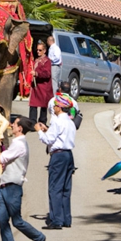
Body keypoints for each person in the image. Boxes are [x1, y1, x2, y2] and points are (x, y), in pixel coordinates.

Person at [0, 116, 46, 241]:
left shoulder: (19, 144)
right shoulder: (17, 143)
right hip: (4, 184)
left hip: (13, 187)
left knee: (17, 220)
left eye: (14, 124)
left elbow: (0, 159)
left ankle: (39, 237)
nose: (11, 125)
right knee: (3, 221)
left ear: (20, 128)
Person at [35, 94, 76, 230]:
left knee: (55, 188)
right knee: (65, 188)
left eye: (55, 105)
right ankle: (66, 218)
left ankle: (56, 219)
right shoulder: (70, 121)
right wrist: (47, 131)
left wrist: (40, 132)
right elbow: (58, 136)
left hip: (58, 156)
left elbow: (48, 140)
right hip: (68, 154)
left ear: (59, 107)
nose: (53, 107)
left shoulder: (57, 121)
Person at [30, 41, 53, 125]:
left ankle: (42, 122)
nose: (38, 52)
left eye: (40, 50)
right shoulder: (36, 60)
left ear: (44, 50)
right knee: (33, 104)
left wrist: (36, 74)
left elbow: (47, 74)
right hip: (36, 86)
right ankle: (32, 123)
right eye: (37, 50)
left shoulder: (47, 61)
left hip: (44, 87)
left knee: (43, 105)